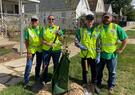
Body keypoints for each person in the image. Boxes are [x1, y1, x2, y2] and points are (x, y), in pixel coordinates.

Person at [97, 13, 128, 94]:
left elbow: (125, 39)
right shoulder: (99, 27)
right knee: (99, 71)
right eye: (105, 18)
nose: (106, 19)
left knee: (112, 72)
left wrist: (121, 49)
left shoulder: (116, 27)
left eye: (108, 18)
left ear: (111, 18)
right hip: (101, 55)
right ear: (102, 18)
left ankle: (111, 86)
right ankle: (98, 84)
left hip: (112, 55)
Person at [75, 14, 100, 94]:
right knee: (85, 71)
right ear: (86, 20)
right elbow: (76, 41)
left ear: (93, 21)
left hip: (93, 55)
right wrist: (80, 46)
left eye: (91, 20)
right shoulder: (80, 30)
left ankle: (93, 85)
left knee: (94, 71)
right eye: (88, 20)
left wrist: (98, 54)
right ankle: (85, 84)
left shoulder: (97, 30)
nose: (90, 21)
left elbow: (99, 43)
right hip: (84, 55)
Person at [41, 15, 64, 83]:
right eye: (49, 19)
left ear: (54, 20)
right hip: (46, 50)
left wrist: (60, 35)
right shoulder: (44, 28)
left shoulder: (58, 28)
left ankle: (55, 79)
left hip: (56, 50)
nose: (51, 21)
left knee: (56, 65)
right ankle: (44, 79)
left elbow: (62, 40)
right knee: (45, 65)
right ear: (47, 20)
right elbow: (41, 40)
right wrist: (48, 44)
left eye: (52, 19)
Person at [23, 15, 43, 88]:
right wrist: (28, 51)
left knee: (38, 65)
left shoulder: (41, 29)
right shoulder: (27, 29)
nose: (34, 21)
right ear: (31, 21)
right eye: (33, 20)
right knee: (28, 65)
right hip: (31, 49)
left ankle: (37, 78)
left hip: (39, 49)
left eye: (35, 20)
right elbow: (26, 41)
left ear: (38, 21)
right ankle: (26, 82)